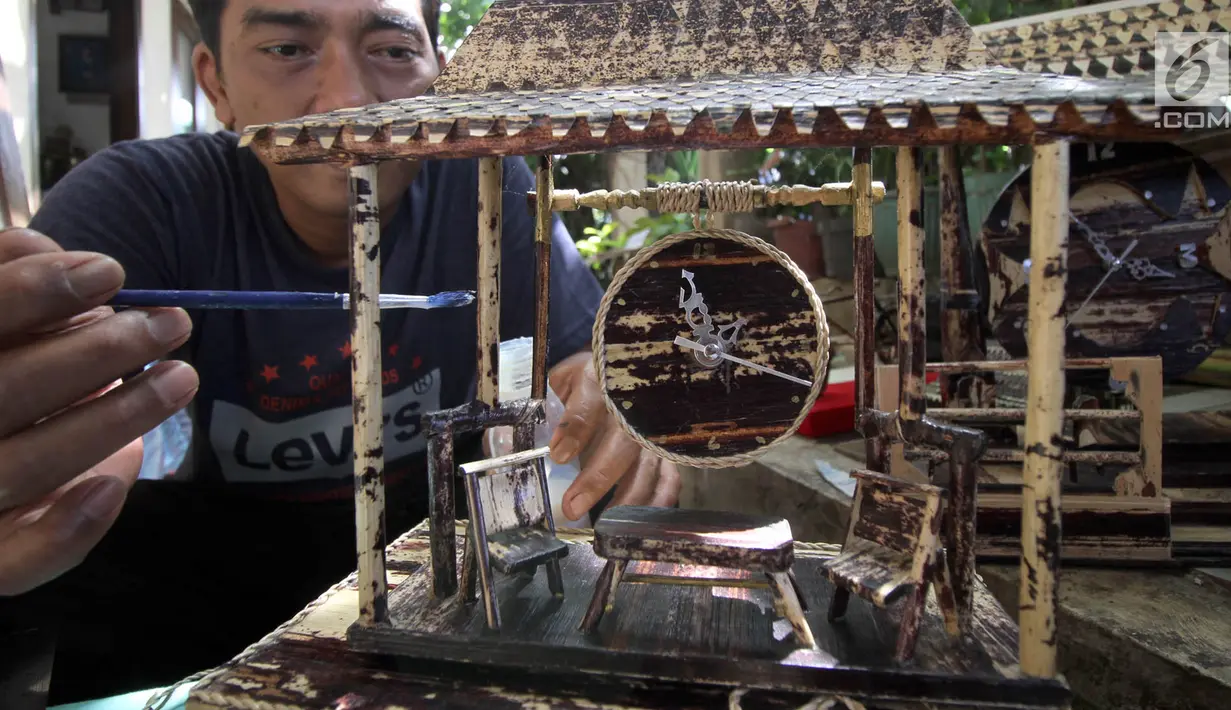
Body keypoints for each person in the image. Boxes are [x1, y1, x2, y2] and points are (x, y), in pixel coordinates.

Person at [0, 0, 679, 702]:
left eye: (390, 49)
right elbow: (64, 409)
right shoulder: (139, 201)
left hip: (426, 646)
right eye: (287, 49)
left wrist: (623, 398)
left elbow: (588, 365)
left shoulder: (486, 190)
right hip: (173, 658)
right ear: (217, 85)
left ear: (437, 78)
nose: (350, 101)